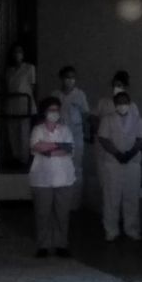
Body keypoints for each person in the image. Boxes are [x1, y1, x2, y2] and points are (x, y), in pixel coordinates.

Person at [97, 91, 142, 242]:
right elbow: (103, 139)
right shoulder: (107, 119)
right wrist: (117, 154)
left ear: (130, 103)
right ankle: (111, 230)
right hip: (113, 163)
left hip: (132, 163)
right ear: (115, 104)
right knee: (112, 197)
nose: (122, 105)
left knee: (131, 197)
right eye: (119, 102)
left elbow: (141, 139)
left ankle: (131, 229)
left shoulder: (137, 120)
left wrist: (130, 154)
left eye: (125, 102)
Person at [29, 97, 75, 258]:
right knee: (43, 214)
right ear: (44, 112)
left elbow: (69, 148)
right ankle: (43, 245)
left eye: (56, 110)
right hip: (41, 178)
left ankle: (61, 244)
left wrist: (48, 148)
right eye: (51, 110)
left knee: (62, 214)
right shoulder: (37, 130)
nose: (54, 113)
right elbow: (35, 146)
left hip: (64, 177)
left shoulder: (65, 129)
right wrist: (58, 145)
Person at [52, 66, 90, 208]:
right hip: (59, 136)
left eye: (73, 77)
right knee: (59, 168)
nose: (70, 80)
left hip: (76, 136)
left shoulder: (80, 95)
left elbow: (86, 114)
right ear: (62, 78)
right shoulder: (55, 95)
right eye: (67, 77)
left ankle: (75, 203)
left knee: (76, 169)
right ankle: (60, 202)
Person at [4, 44, 37, 165]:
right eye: (15, 52)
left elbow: (32, 86)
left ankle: (24, 159)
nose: (17, 54)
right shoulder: (9, 70)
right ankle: (15, 157)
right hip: (12, 104)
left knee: (24, 132)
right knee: (12, 132)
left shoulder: (29, 68)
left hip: (24, 102)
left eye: (20, 52)